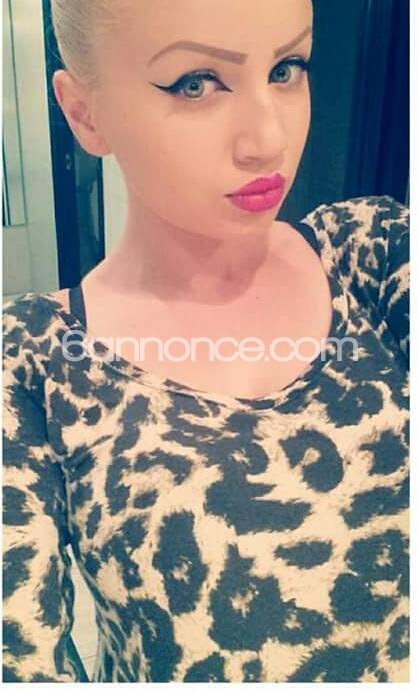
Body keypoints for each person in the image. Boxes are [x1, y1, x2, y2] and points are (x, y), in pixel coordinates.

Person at [3, 0, 409, 683]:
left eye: (287, 68)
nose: (267, 140)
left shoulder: (372, 253)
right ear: (85, 114)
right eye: (195, 84)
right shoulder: (34, 363)